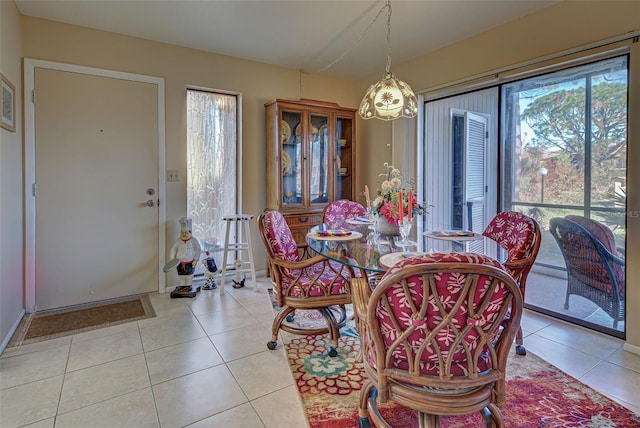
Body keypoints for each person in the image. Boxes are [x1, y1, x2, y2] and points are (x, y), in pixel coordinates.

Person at [169, 217, 202, 298]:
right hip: (179, 262)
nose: (184, 234)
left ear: (190, 232)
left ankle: (188, 286)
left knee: (189, 275)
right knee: (181, 274)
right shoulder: (178, 241)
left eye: (186, 232)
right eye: (182, 233)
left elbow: (198, 249)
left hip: (190, 262)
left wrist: (196, 259)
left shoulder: (193, 241)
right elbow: (173, 249)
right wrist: (172, 258)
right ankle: (182, 285)